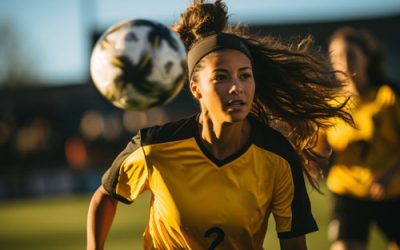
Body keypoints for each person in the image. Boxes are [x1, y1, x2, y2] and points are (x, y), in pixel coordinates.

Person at [86, 1, 352, 249]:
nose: (237, 87)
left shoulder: (277, 156)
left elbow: (294, 243)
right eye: (221, 77)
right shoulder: (154, 146)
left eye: (245, 76)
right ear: (195, 89)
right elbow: (105, 196)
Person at [324, 27, 400, 250]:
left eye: (350, 55)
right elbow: (318, 152)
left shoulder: (388, 95)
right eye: (336, 57)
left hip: (392, 191)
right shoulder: (329, 105)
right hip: (347, 191)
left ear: (366, 57)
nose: (344, 62)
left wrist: (389, 175)